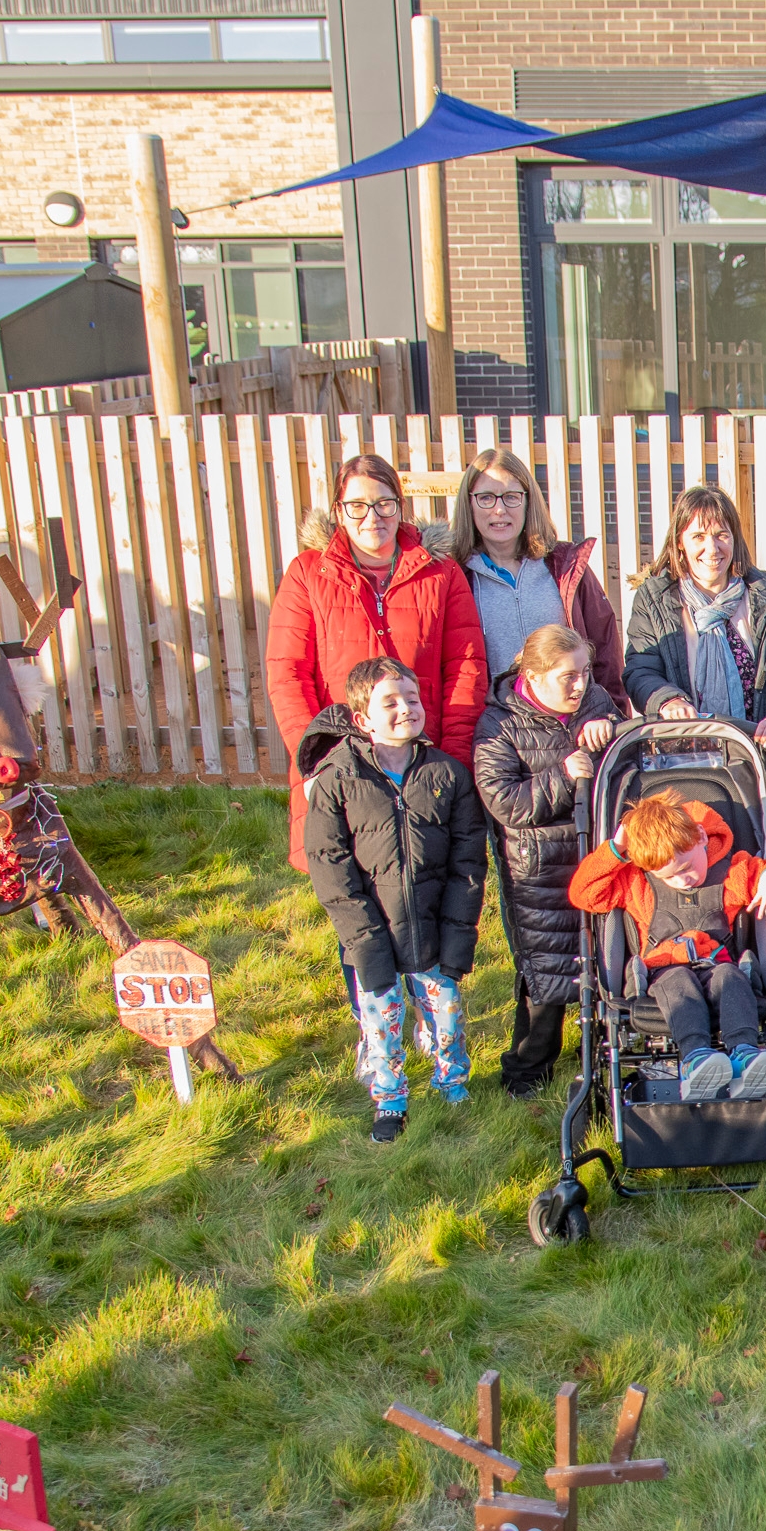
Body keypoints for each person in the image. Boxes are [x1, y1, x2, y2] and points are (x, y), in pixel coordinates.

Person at [264, 453, 490, 868]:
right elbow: (288, 674)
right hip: (342, 758)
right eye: (357, 506)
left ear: (399, 507)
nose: (372, 517)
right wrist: (319, 757)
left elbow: (466, 668)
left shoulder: (440, 574)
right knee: (354, 894)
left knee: (427, 883)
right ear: (338, 511)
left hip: (423, 755)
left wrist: (452, 760)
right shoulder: (308, 574)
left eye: (384, 503)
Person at [298, 657, 488, 1143]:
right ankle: (390, 1097)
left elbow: (469, 860)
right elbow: (329, 862)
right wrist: (360, 935)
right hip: (372, 924)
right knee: (380, 1018)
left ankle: (452, 1084)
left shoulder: (448, 774)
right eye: (390, 703)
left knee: (445, 1008)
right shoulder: (337, 780)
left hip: (432, 922)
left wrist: (458, 930)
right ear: (361, 720)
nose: (406, 709)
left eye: (412, 698)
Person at [568, 792, 766, 1102]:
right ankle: (699, 1060)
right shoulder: (636, 883)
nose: (681, 881)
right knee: (680, 984)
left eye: (685, 868)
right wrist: (617, 848)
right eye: (668, 876)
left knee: (730, 978)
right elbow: (584, 895)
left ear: (701, 838)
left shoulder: (731, 872)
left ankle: (746, 1055)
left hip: (716, 965)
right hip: (664, 972)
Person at [474, 625, 620, 1100]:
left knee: (605, 956)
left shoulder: (596, 703)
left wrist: (611, 734)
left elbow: (626, 769)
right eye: (567, 677)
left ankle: (603, 1056)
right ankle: (527, 1070)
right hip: (538, 869)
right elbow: (504, 802)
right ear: (532, 677)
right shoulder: (500, 724)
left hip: (597, 859)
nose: (580, 685)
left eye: (584, 672)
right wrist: (564, 772)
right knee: (547, 973)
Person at [449, 447, 628, 713]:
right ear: (469, 503)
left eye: (511, 497)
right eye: (486, 498)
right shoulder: (456, 576)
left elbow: (605, 655)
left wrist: (613, 719)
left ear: (528, 501)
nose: (499, 510)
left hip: (571, 729)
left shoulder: (565, 568)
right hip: (497, 734)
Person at [624, 484, 766, 743]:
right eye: (698, 536)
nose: (712, 548)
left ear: (734, 539)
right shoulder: (654, 600)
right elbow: (641, 670)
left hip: (754, 749)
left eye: (721, 535)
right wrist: (667, 700)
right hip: (680, 752)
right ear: (679, 543)